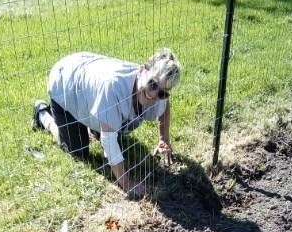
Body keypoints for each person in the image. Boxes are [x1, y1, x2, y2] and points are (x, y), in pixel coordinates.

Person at [32, 48, 181, 198]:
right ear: (143, 70)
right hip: (65, 81)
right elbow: (109, 141)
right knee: (77, 150)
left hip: (89, 84)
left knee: (113, 127)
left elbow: (164, 106)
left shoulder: (157, 94)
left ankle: (94, 123)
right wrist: (127, 183)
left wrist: (164, 140)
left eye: (162, 93)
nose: (153, 95)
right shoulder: (114, 87)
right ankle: (43, 114)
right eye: (152, 85)